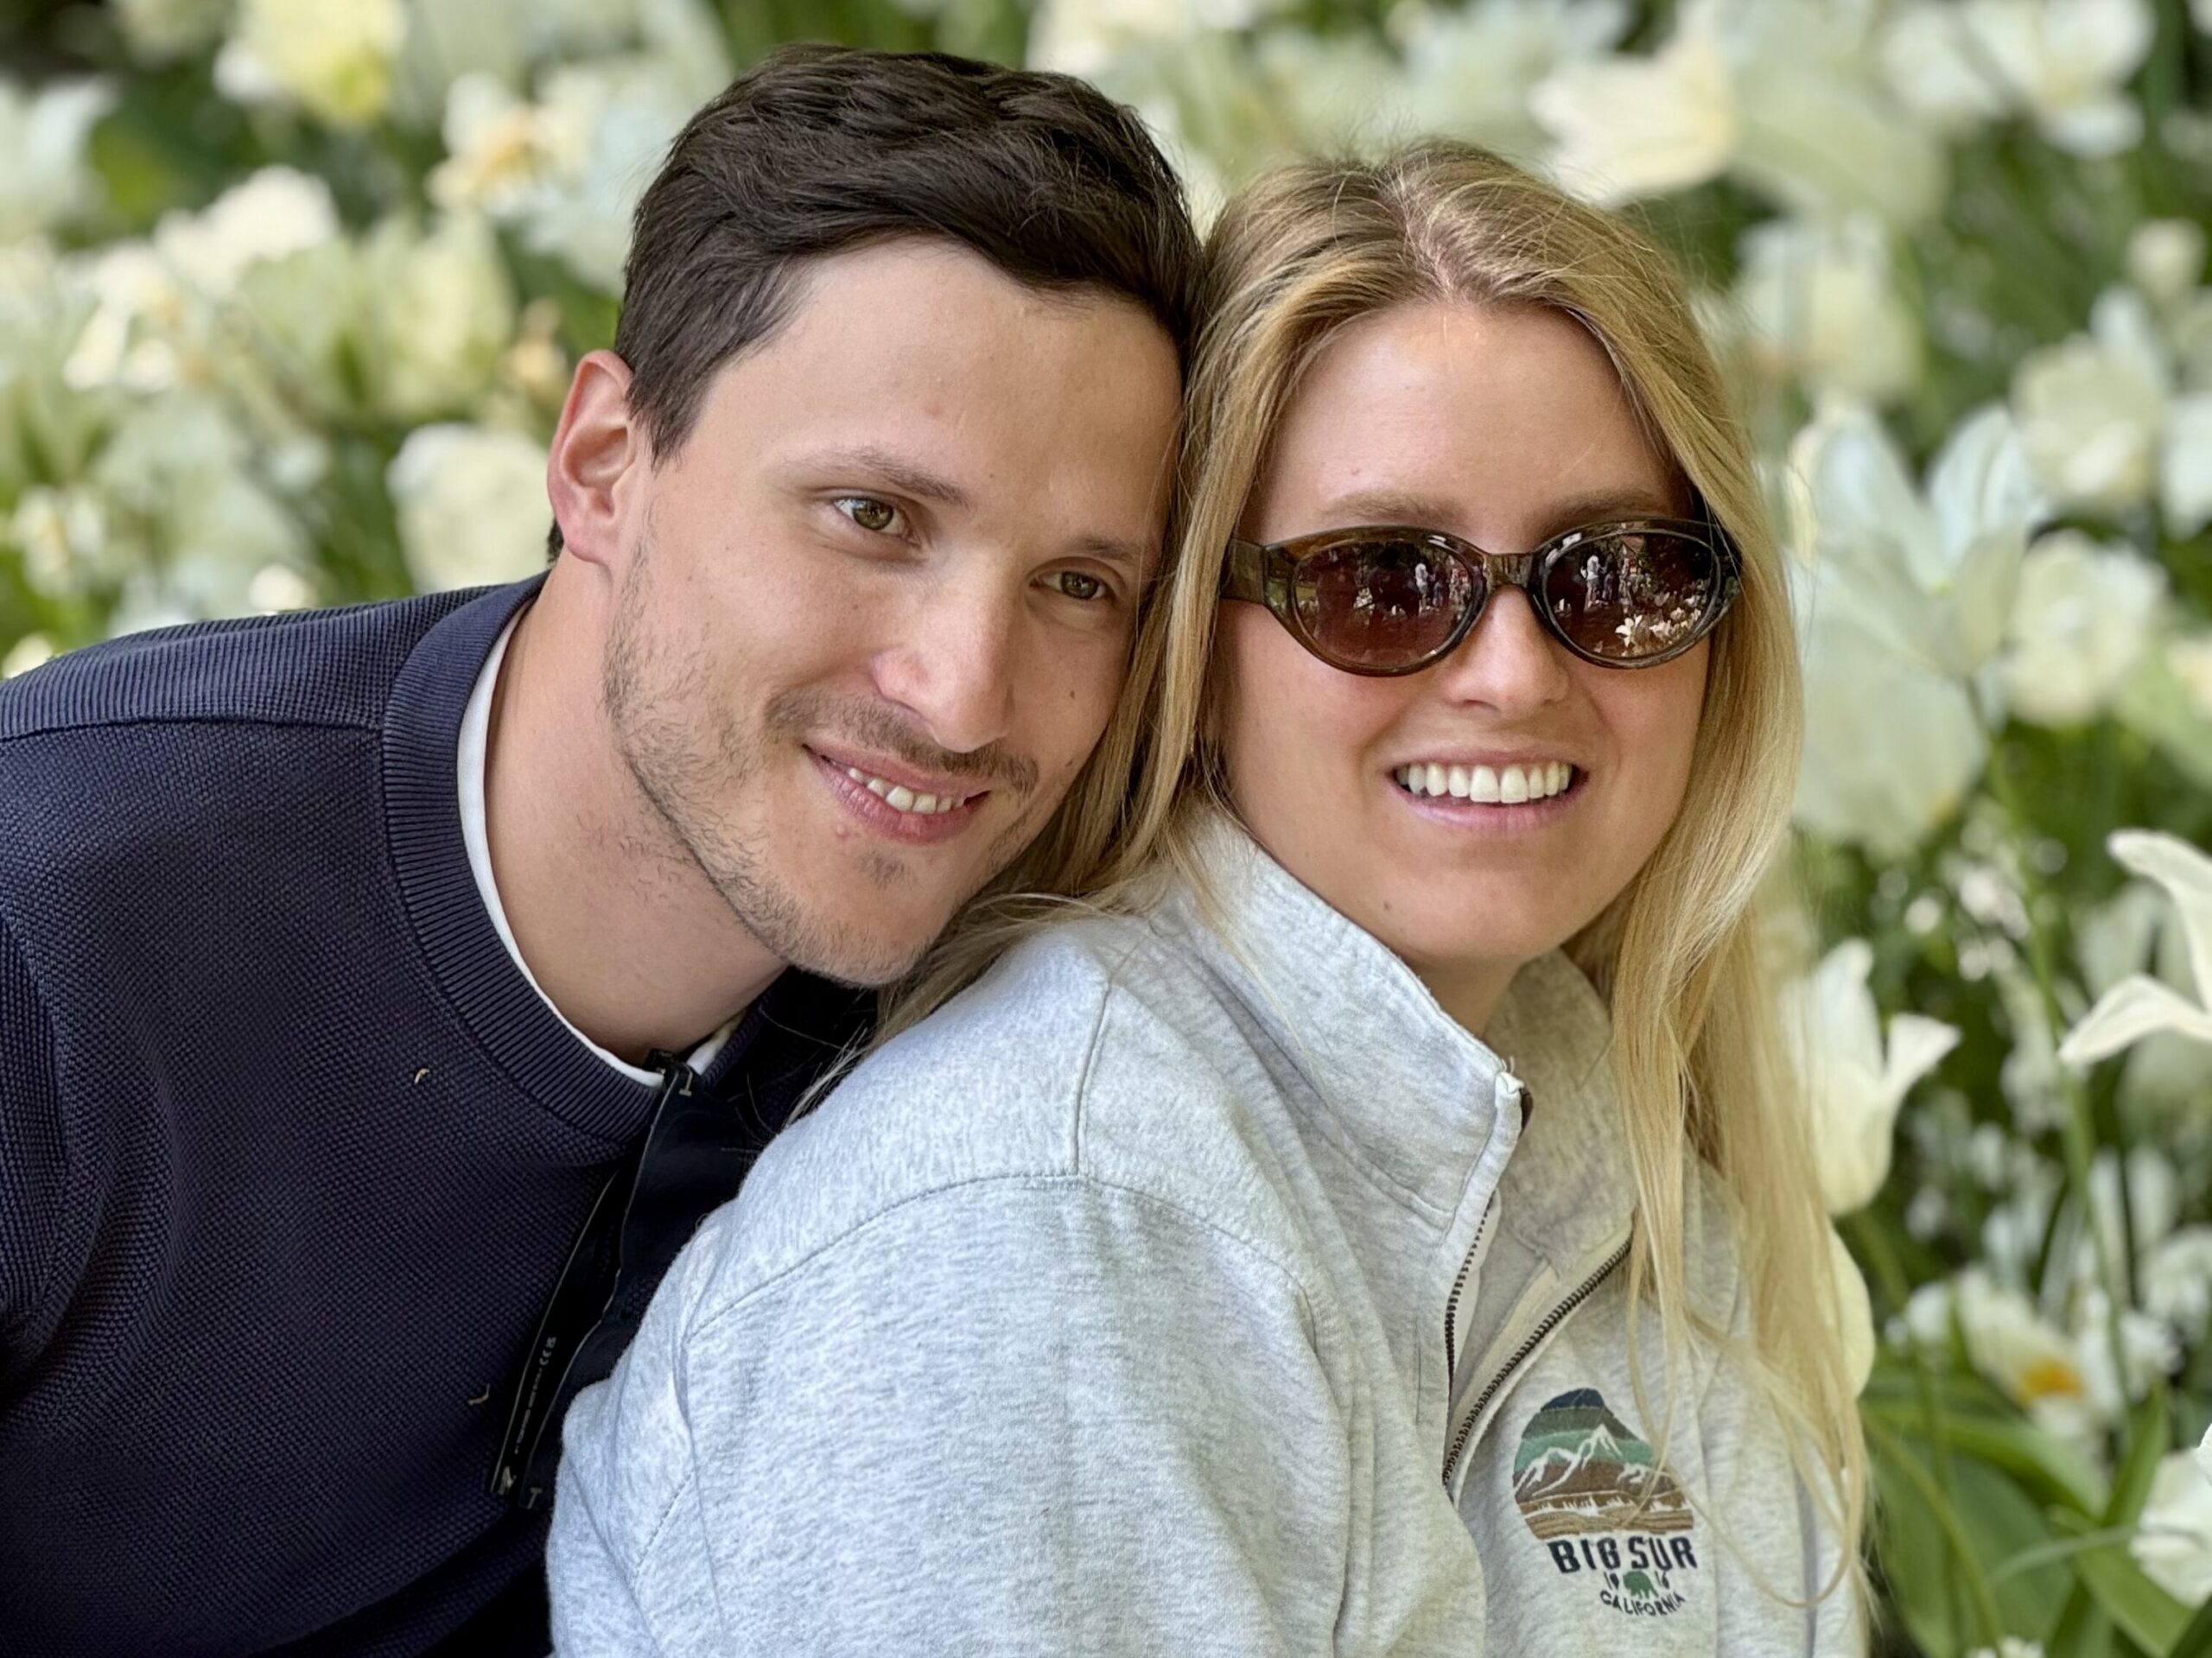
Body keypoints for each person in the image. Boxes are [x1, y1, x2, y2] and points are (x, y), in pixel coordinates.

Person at [550, 140, 1868, 1655]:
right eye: (1387, 580)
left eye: (1613, 577)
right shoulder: (1037, 1230)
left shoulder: (1616, 1154)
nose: (1513, 675)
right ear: (1197, 634)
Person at [0, 45, 1195, 1656]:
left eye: (1077, 585)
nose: (966, 696)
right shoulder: (55, 926)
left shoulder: (1025, 1007)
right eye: (873, 517)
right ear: (603, 467)